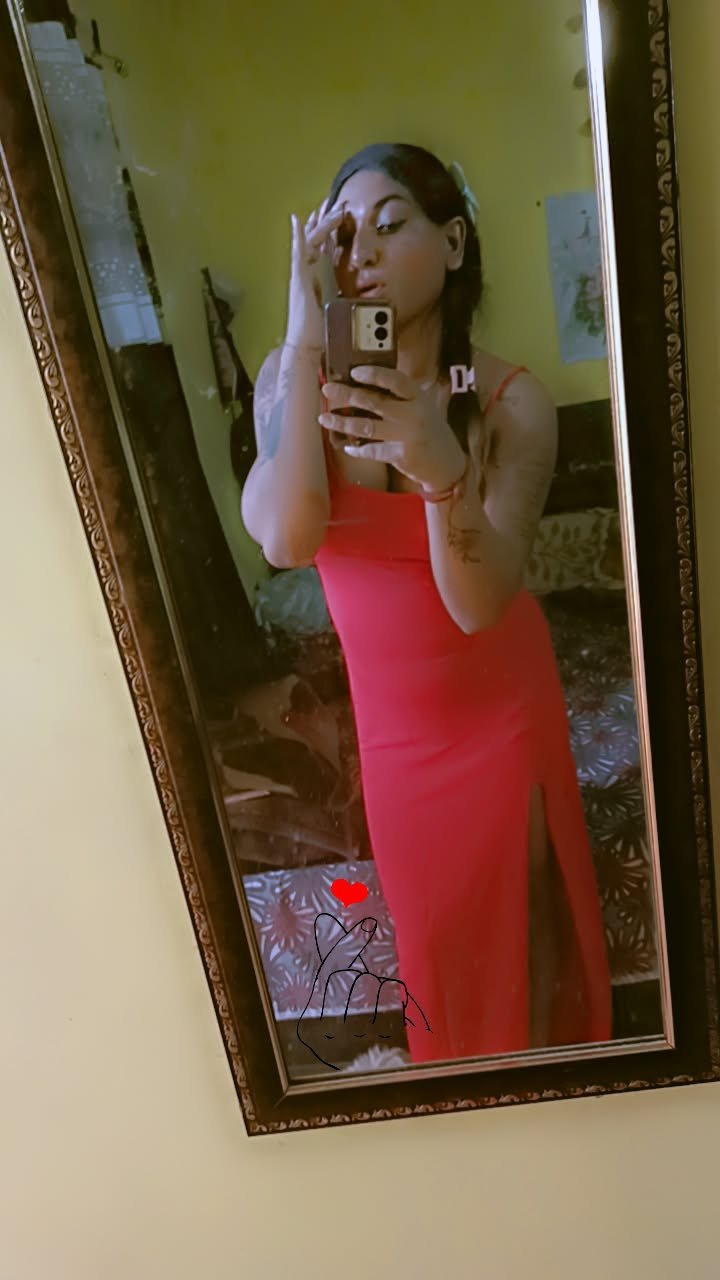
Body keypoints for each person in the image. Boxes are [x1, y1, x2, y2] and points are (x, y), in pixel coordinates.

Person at [241, 141, 612, 1064]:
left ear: (452, 243)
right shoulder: (292, 379)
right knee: (438, 962)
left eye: (391, 223)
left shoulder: (512, 402)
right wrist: (303, 339)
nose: (361, 251)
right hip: (397, 744)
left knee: (525, 958)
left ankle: (552, 1130)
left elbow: (477, 605)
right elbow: (286, 538)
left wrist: (441, 469)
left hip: (502, 719)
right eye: (342, 234)